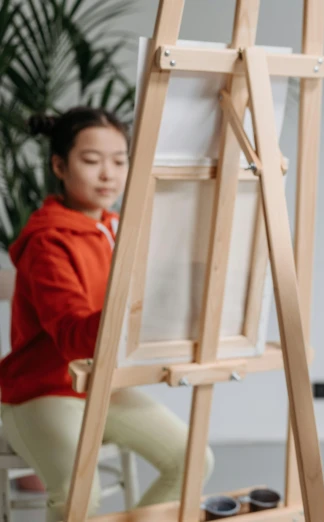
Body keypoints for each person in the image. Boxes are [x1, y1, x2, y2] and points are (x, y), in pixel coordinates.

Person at [0, 107, 214, 522]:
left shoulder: (118, 227)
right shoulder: (48, 242)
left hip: (102, 384)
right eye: (92, 161)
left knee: (193, 461)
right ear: (59, 166)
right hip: (41, 390)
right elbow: (72, 337)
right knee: (77, 493)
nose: (108, 175)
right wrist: (147, 303)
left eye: (119, 161)